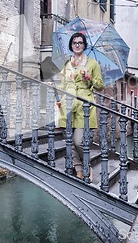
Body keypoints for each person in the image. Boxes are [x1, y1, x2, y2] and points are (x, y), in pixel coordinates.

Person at [56, 32, 104, 180]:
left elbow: (100, 86)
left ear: (84, 45)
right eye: (74, 42)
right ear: (71, 45)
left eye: (80, 42)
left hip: (85, 105)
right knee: (70, 141)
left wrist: (89, 78)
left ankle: (87, 166)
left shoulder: (92, 64)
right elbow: (62, 85)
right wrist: (59, 99)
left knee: (79, 141)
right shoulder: (67, 64)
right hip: (69, 104)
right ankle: (79, 170)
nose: (77, 45)